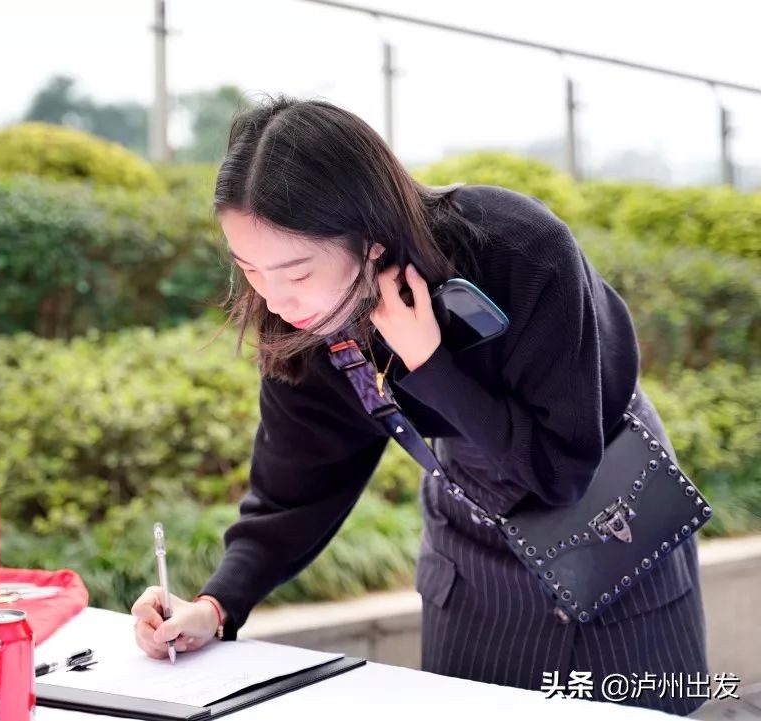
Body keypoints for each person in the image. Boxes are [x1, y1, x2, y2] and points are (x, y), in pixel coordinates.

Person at [130, 96, 708, 716]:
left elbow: (561, 470)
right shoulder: (302, 324)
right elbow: (296, 488)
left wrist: (430, 365)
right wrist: (215, 605)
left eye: (296, 274)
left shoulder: (519, 249)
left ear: (370, 239)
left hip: (609, 497)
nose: (275, 301)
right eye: (251, 270)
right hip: (475, 530)